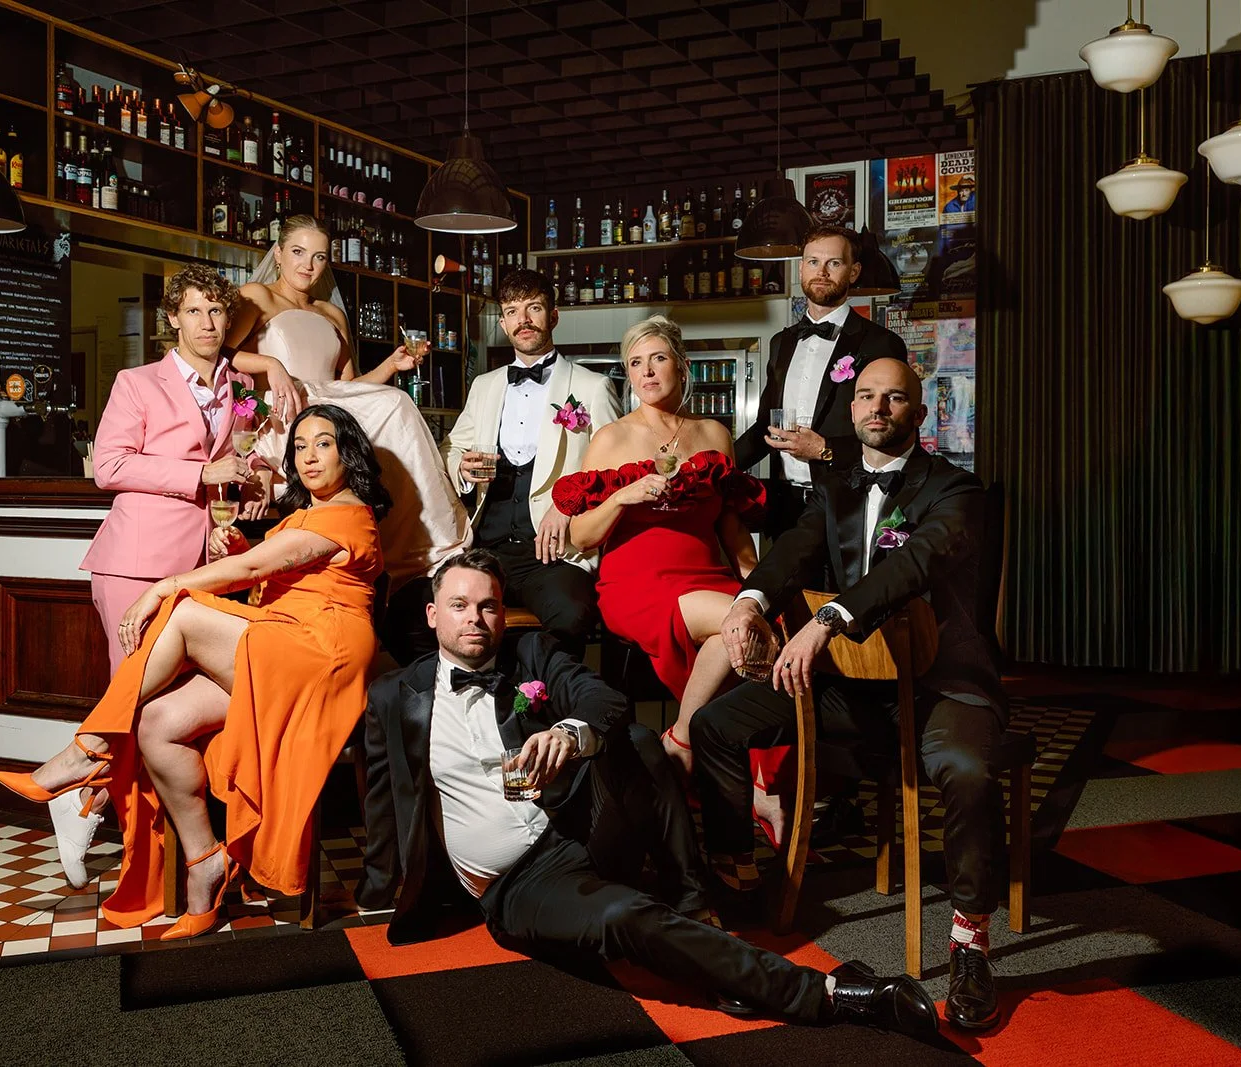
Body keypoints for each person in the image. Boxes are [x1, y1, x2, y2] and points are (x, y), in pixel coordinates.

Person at [356, 550, 939, 1040]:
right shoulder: (393, 696)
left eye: (487, 605)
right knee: (623, 916)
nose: (475, 619)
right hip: (518, 885)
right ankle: (831, 992)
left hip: (575, 827)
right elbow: (384, 799)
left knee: (637, 741)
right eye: (459, 606)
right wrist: (379, 897)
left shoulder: (530, 655)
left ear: (503, 615)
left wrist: (567, 732)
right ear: (433, 616)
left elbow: (605, 702)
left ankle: (693, 905)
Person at [694, 358, 1009, 1032]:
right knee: (716, 726)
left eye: (895, 397)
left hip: (939, 685)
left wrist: (827, 618)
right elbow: (792, 551)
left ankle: (970, 942)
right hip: (850, 688)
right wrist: (746, 604)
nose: (878, 407)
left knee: (969, 770)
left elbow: (912, 562)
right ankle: (740, 885)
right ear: (852, 409)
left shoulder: (958, 490)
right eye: (866, 395)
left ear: (918, 415)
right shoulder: (834, 485)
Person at [0, 405, 389, 940]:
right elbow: (278, 573)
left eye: (323, 443)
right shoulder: (306, 514)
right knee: (159, 722)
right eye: (299, 446)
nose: (309, 456)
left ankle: (86, 751)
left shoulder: (348, 512)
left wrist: (165, 584)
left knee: (180, 610)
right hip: (282, 638)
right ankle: (206, 862)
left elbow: (256, 573)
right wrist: (248, 547)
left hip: (323, 651)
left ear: (350, 450)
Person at [64, 265, 262, 887]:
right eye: (196, 312)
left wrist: (249, 486)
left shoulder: (235, 386)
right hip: (135, 563)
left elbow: (245, 457)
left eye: (217, 313)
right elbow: (107, 465)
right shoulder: (137, 381)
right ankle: (116, 834)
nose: (208, 324)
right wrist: (197, 475)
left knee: (165, 716)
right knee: (133, 700)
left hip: (201, 572)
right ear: (172, 319)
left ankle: (97, 813)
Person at [550, 315, 762, 779]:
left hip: (708, 577)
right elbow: (582, 536)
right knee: (736, 623)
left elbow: (731, 527)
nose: (647, 372)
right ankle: (690, 741)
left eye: (658, 359)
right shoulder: (612, 438)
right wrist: (623, 496)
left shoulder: (714, 435)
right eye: (636, 363)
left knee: (768, 628)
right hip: (638, 583)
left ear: (681, 366)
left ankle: (736, 770)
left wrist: (761, 586)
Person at [226, 215, 470, 606]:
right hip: (286, 411)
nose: (308, 265)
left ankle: (429, 551)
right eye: (298, 252)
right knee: (388, 408)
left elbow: (349, 391)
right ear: (278, 253)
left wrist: (391, 366)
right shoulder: (258, 296)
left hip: (331, 407)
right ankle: (434, 549)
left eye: (319, 256)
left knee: (398, 401)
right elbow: (223, 356)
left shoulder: (332, 314)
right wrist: (272, 367)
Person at [406, 267, 620, 660]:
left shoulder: (592, 387)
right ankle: (463, 702)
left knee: (571, 615)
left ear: (552, 316)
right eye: (512, 311)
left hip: (556, 552)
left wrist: (568, 504)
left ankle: (543, 703)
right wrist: (463, 469)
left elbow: (616, 470)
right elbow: (451, 450)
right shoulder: (485, 386)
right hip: (487, 546)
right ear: (503, 322)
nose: (523, 320)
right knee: (412, 610)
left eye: (533, 308)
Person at [736, 226, 908, 541]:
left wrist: (824, 449)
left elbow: (894, 434)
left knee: (841, 593)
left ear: (854, 272)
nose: (822, 272)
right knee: (782, 590)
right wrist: (711, 469)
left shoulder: (881, 344)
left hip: (849, 505)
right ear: (800, 268)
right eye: (813, 262)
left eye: (834, 263)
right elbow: (765, 427)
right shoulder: (781, 342)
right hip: (784, 506)